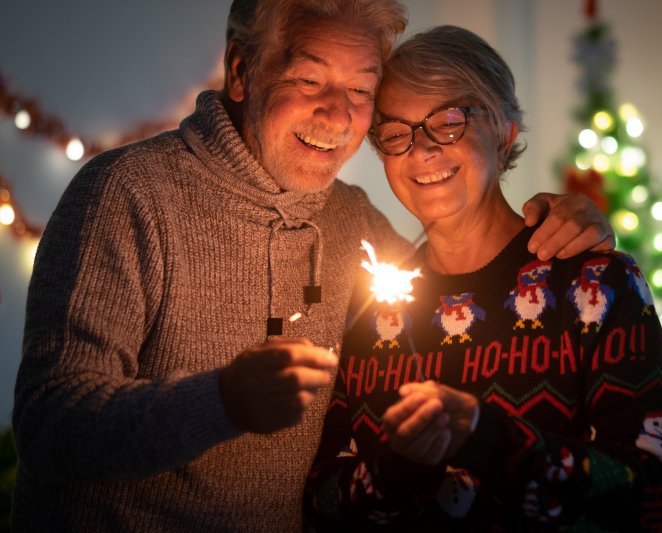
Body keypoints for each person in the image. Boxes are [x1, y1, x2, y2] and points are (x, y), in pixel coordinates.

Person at [10, 2, 614, 532]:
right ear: (243, 71)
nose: (337, 114)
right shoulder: (126, 194)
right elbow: (49, 423)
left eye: (360, 91)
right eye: (308, 78)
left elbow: (452, 277)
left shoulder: (354, 223)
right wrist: (222, 401)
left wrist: (571, 220)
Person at [304, 25, 662, 531]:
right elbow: (322, 504)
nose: (422, 150)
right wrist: (401, 465)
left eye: (449, 121)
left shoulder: (596, 284)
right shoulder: (372, 311)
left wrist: (485, 437)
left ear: (504, 134)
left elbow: (647, 491)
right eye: (396, 132)